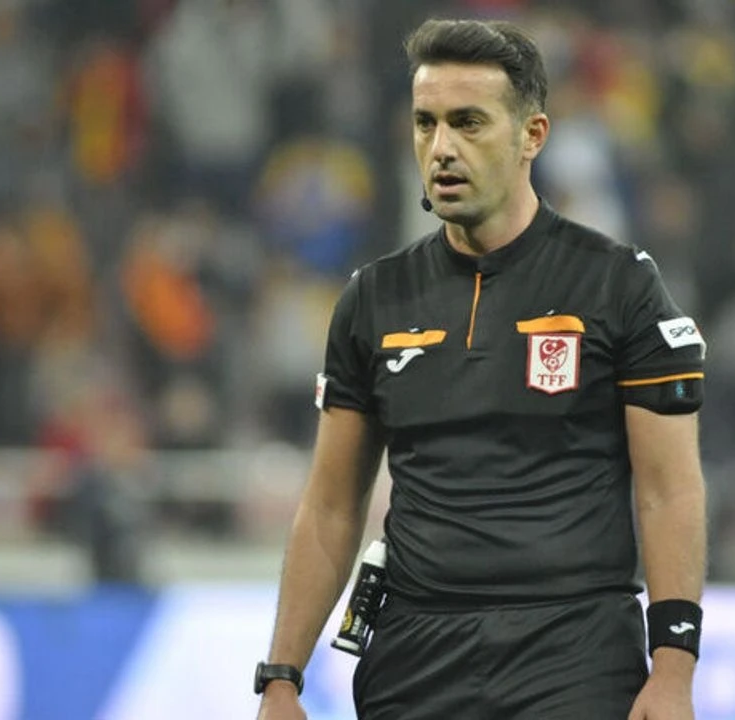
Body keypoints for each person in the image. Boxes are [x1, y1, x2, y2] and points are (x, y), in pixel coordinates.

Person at [255, 18, 708, 720]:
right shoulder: (373, 299)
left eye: (468, 123)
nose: (441, 147)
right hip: (414, 657)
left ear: (532, 136)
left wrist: (673, 667)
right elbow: (331, 505)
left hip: (574, 653)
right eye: (425, 123)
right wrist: (282, 676)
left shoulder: (617, 286)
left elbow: (668, 490)